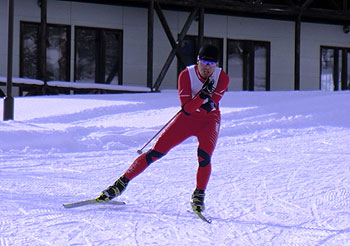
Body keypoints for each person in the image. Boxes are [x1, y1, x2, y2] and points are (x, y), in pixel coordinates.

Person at [96, 44, 230, 212]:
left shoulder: (222, 78)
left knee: (204, 157)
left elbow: (209, 106)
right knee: (155, 153)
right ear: (197, 61)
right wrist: (202, 96)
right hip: (186, 120)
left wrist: (201, 101)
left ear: (216, 65)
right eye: (203, 61)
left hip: (209, 121)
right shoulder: (186, 75)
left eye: (211, 63)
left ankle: (199, 195)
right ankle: (119, 185)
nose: (207, 67)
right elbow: (186, 109)